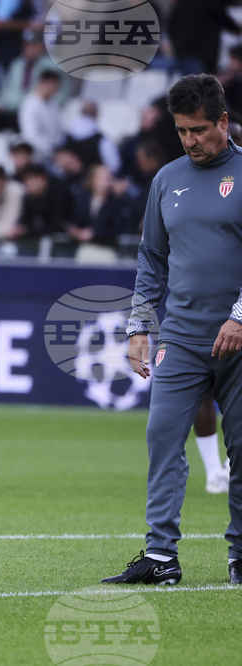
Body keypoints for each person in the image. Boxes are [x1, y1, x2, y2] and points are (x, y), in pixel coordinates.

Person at [105, 74, 242, 586]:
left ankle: (240, 555)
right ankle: (160, 555)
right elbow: (151, 258)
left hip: (239, 338)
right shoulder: (166, 179)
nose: (190, 140)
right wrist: (140, 325)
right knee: (162, 436)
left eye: (200, 130)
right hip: (182, 338)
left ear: (223, 122)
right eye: (182, 131)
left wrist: (240, 315)